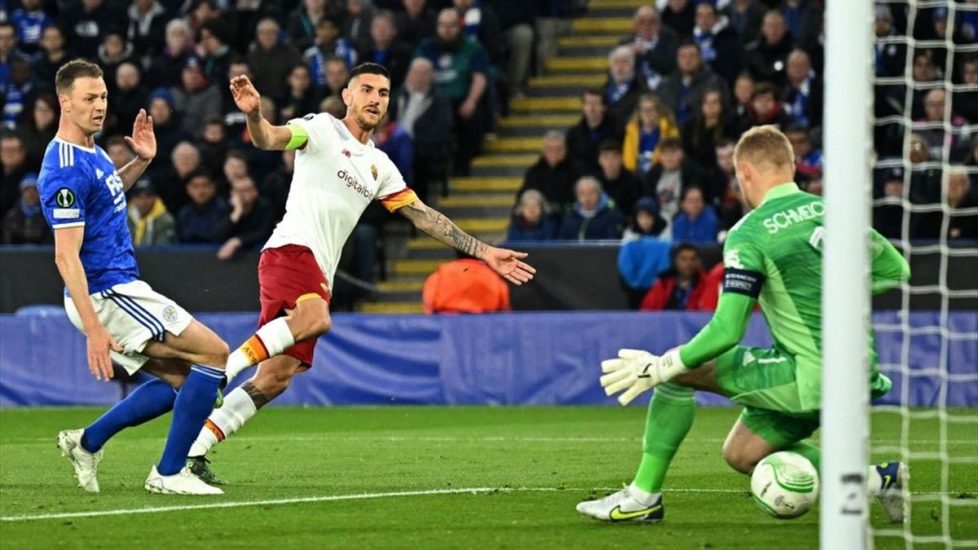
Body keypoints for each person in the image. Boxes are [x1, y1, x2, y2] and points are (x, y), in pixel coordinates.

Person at [186, 63, 535, 483]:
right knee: (316, 319)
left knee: (277, 377)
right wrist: (254, 114)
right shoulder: (321, 129)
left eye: (383, 93)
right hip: (291, 250)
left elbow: (423, 216)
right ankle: (221, 371)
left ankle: (192, 451)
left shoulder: (380, 165)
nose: (375, 99)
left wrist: (484, 252)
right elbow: (269, 138)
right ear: (347, 95)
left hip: (319, 269)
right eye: (366, 89)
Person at [577, 125, 910, 524]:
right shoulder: (833, 211)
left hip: (812, 377)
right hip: (858, 371)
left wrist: (662, 365)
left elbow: (727, 330)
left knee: (681, 372)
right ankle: (879, 480)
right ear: (790, 166)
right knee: (743, 453)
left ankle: (642, 497)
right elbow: (896, 270)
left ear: (745, 174)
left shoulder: (750, 232)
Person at [40, 60, 230, 495]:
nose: (100, 106)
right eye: (89, 98)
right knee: (215, 354)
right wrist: (94, 330)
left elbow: (105, 196)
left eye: (103, 97)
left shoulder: (92, 150)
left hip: (118, 285)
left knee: (185, 380)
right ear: (64, 102)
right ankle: (169, 473)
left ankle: (87, 442)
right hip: (107, 290)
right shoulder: (63, 167)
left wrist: (141, 162)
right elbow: (65, 256)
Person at [422, 251, 511, 314]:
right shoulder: (492, 276)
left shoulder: (442, 272)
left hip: (448, 322)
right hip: (482, 324)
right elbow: (504, 308)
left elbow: (429, 302)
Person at [516, 130, 581, 210]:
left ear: (565, 150)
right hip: (542, 213)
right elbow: (524, 196)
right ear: (544, 150)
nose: (554, 153)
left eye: (558, 149)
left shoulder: (577, 170)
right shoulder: (534, 172)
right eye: (550, 149)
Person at [619, 6, 679, 92]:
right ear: (635, 24)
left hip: (664, 89)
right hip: (635, 91)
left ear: (659, 24)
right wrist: (627, 56)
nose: (646, 26)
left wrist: (646, 52)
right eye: (641, 22)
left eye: (652, 22)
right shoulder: (625, 43)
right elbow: (616, 72)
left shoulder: (669, 39)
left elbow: (670, 68)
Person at [215, 176, 275, 260]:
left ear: (255, 191)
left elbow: (263, 233)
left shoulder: (265, 207)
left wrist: (238, 240)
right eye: (238, 191)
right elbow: (217, 234)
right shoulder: (225, 207)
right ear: (232, 193)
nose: (242, 194)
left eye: (246, 190)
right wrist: (237, 212)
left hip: (259, 255)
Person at [565, 88, 622, 174]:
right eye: (588, 103)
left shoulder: (617, 132)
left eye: (596, 103)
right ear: (583, 107)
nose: (591, 108)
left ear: (604, 107)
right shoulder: (573, 135)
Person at [622, 94, 680, 177]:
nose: (647, 113)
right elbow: (628, 161)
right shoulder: (631, 131)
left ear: (658, 111)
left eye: (651, 109)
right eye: (643, 110)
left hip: (662, 176)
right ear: (639, 112)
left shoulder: (669, 132)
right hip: (635, 177)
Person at [638, 243, 708, 310]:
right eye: (683, 259)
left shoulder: (706, 283)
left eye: (693, 259)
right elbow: (647, 310)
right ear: (675, 261)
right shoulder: (663, 283)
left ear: (699, 262)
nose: (688, 263)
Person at [557, 176, 623, 241]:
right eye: (582, 193)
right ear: (577, 196)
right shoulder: (570, 216)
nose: (587, 197)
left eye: (591, 193)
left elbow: (611, 241)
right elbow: (562, 242)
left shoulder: (609, 216)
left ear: (599, 194)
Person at [176, 170, 229, 244]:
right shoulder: (184, 213)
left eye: (205, 186)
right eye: (195, 186)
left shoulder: (224, 209)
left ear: (213, 187)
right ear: (188, 189)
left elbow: (216, 236)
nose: (201, 191)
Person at [2, 172, 52, 244]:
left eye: (35, 189)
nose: (31, 194)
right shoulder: (11, 216)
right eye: (27, 189)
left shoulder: (47, 217)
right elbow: (6, 243)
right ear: (21, 192)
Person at [127, 177, 175, 247]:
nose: (143, 202)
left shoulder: (166, 220)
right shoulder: (124, 218)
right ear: (132, 198)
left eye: (148, 196)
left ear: (155, 197)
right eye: (138, 197)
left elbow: (162, 250)